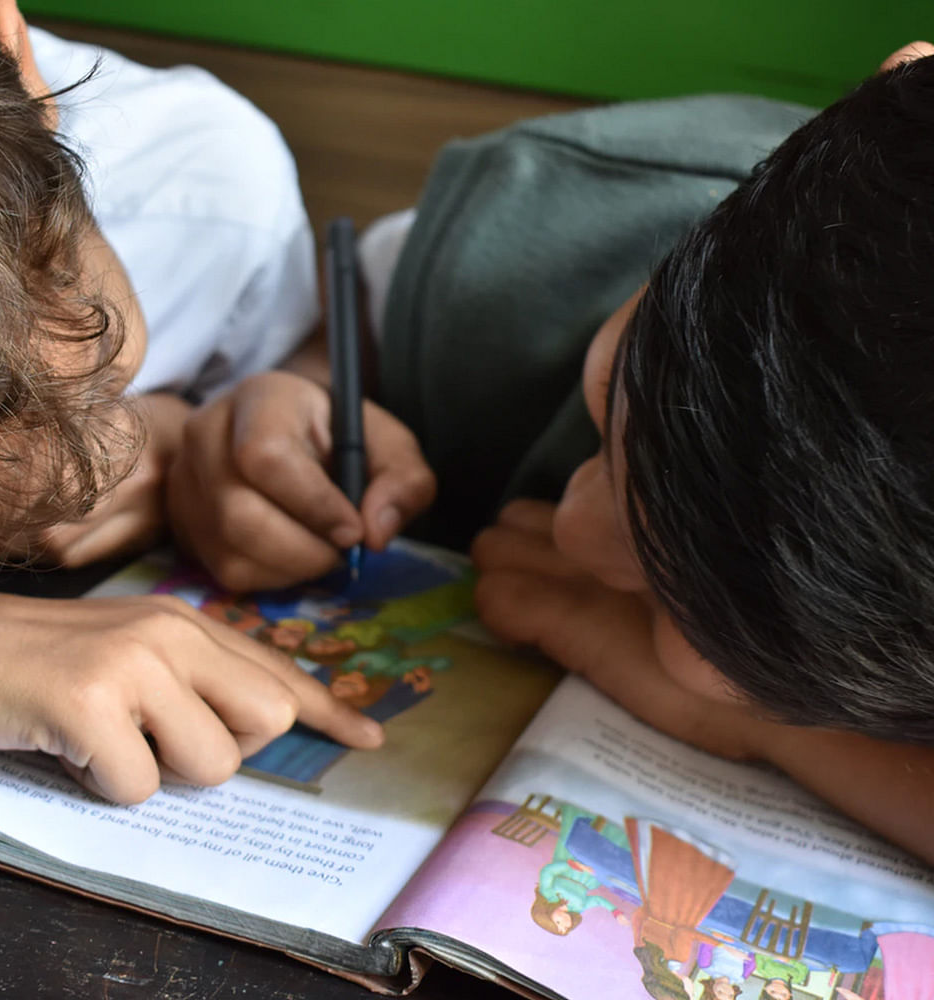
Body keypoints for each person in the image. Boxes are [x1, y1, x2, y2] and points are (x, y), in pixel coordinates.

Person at [176, 37, 934, 867]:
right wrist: (296, 387)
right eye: (617, 396)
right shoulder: (537, 226)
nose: (573, 529)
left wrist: (750, 726)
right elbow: (347, 318)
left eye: (682, 608)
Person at [0, 0, 385, 806]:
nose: (86, 478)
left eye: (106, 378)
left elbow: (294, 363)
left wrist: (229, 425)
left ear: (16, 64)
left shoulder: (211, 201)